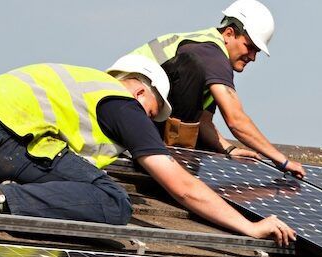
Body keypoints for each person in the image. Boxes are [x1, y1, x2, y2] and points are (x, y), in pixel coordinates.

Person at [0, 56, 295, 245]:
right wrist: (248, 226)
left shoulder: (85, 86)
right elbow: (181, 185)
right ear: (140, 92)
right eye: (153, 112)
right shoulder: (122, 102)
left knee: (81, 176)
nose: (148, 122)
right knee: (113, 201)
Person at [127, 0, 308, 178]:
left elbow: (203, 122)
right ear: (229, 33)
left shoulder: (207, 58)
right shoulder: (211, 54)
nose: (252, 57)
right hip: (129, 117)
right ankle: (173, 161)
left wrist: (229, 148)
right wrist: (281, 160)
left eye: (257, 51)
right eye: (249, 47)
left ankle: (174, 157)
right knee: (190, 67)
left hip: (133, 120)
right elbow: (236, 120)